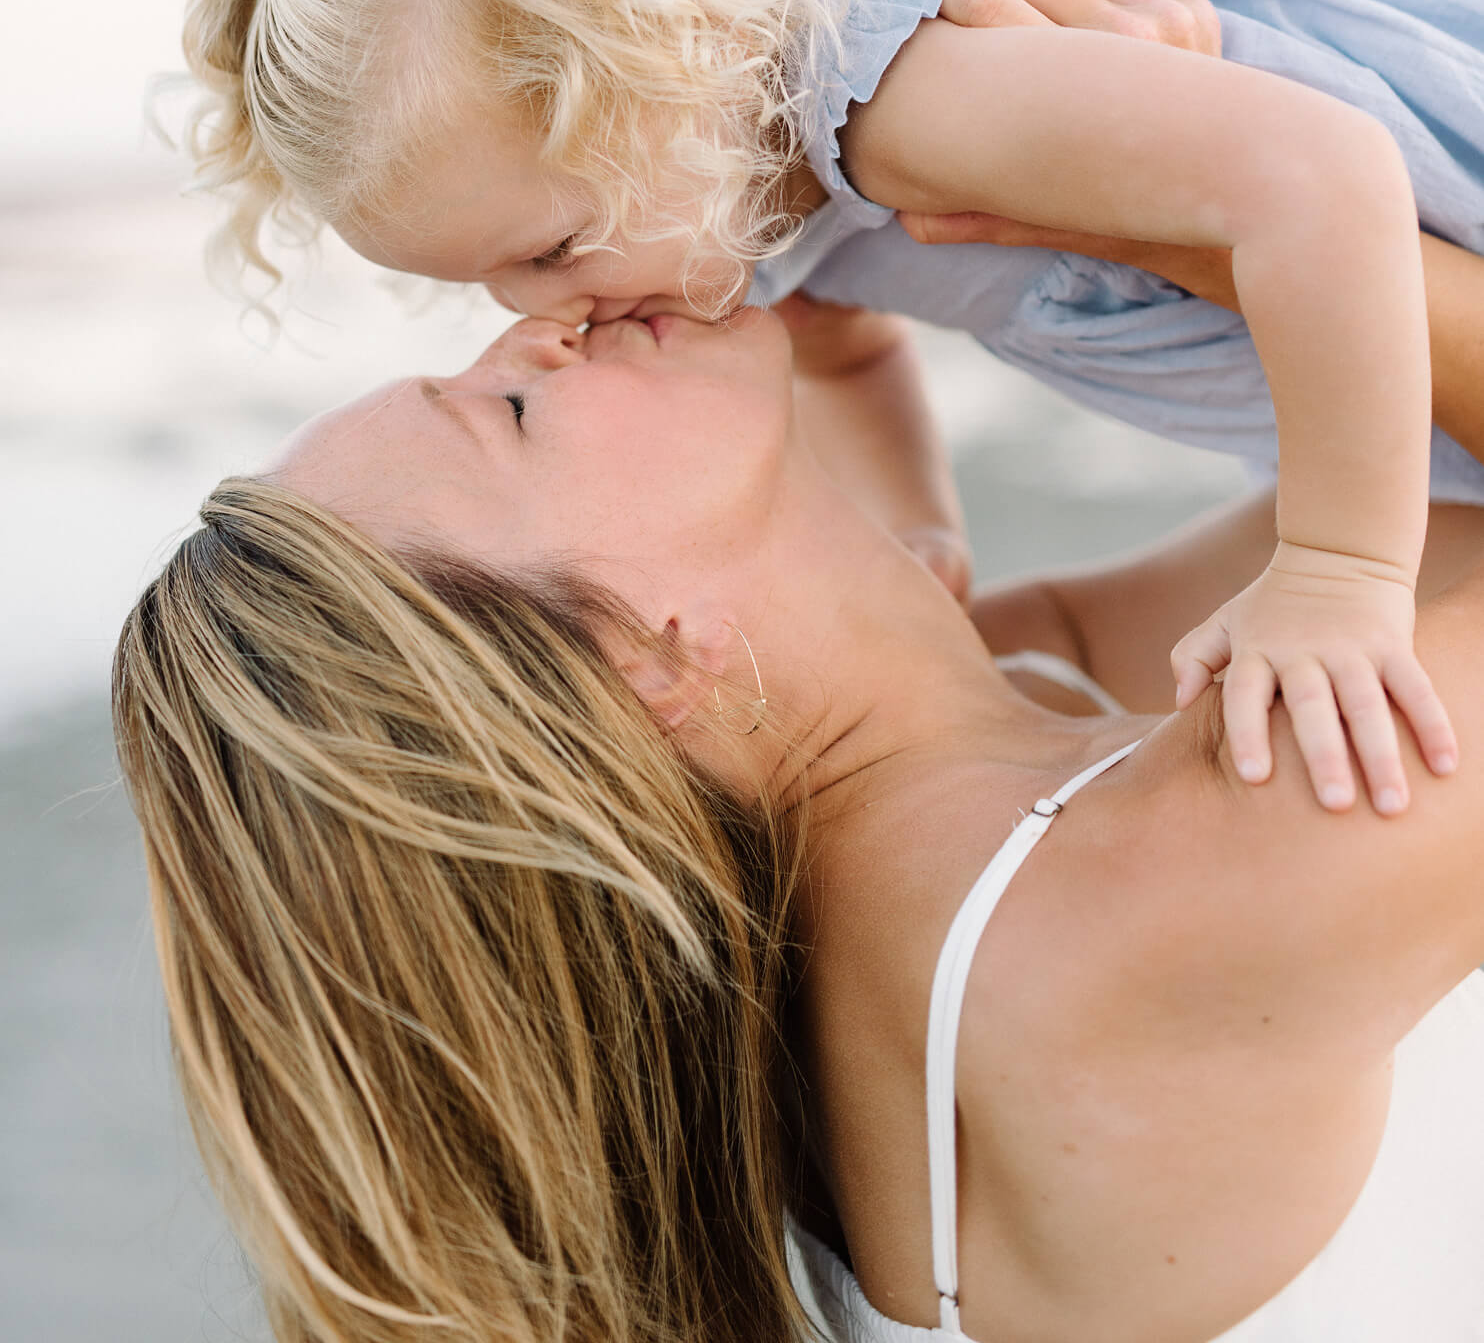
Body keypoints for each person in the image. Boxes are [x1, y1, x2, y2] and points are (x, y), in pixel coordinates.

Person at [114, 304, 1484, 1343]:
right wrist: (1204, 206)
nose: (539, 327)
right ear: (648, 665)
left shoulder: (947, 825)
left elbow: (1438, 517)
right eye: (516, 409)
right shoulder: (1133, 910)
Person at [179, 0, 1484, 812]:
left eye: (548, 251)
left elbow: (1330, 183)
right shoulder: (727, 190)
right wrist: (925, 530)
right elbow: (845, 346)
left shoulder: (904, 105)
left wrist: (1336, 572)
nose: (540, 317)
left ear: (653, 62)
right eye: (487, 286)